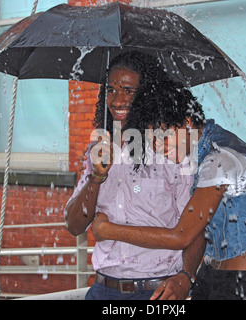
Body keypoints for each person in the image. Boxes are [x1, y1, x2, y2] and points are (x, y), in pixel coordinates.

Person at [91, 81, 246, 300]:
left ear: (187, 122)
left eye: (162, 137)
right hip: (210, 274)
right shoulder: (201, 150)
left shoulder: (219, 158)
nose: (157, 148)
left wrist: (106, 230)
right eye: (151, 140)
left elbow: (181, 236)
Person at [65, 51, 204, 300]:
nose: (118, 100)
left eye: (129, 90)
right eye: (111, 90)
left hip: (156, 292)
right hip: (103, 291)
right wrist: (96, 177)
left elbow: (197, 227)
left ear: (147, 95)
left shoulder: (172, 150)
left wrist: (186, 276)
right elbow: (74, 225)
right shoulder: (98, 150)